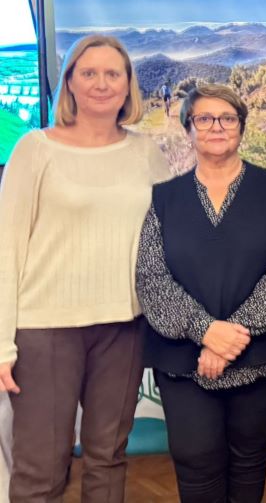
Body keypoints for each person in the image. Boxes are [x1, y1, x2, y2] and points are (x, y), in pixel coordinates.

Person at [0, 34, 170, 501]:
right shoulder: (35, 150)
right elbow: (6, 249)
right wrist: (2, 344)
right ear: (70, 82)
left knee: (108, 457)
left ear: (128, 85)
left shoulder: (146, 153)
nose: (101, 83)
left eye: (113, 73)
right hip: (45, 331)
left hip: (124, 328)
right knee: (41, 467)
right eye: (89, 72)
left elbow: (169, 238)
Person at [135, 83, 266, 502]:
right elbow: (151, 277)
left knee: (250, 465)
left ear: (241, 126)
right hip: (185, 362)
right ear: (189, 129)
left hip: (253, 358)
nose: (216, 126)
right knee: (196, 464)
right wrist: (205, 331)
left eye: (227, 118)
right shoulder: (164, 198)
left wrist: (231, 336)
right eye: (204, 118)